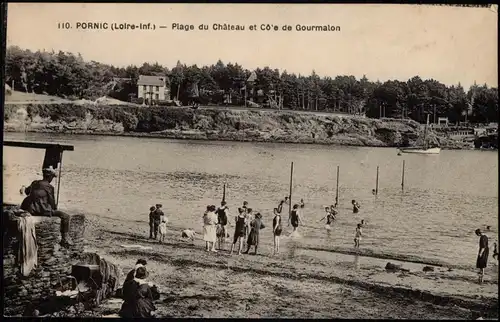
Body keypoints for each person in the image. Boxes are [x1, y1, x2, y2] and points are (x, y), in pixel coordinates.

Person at [20, 166, 73, 247]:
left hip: (31, 210)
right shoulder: (49, 187)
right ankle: (65, 238)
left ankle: (64, 239)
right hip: (43, 210)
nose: (52, 179)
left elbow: (27, 192)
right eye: (52, 177)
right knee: (66, 216)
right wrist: (54, 208)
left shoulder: (34, 183)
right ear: (50, 177)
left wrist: (24, 187)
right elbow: (52, 202)